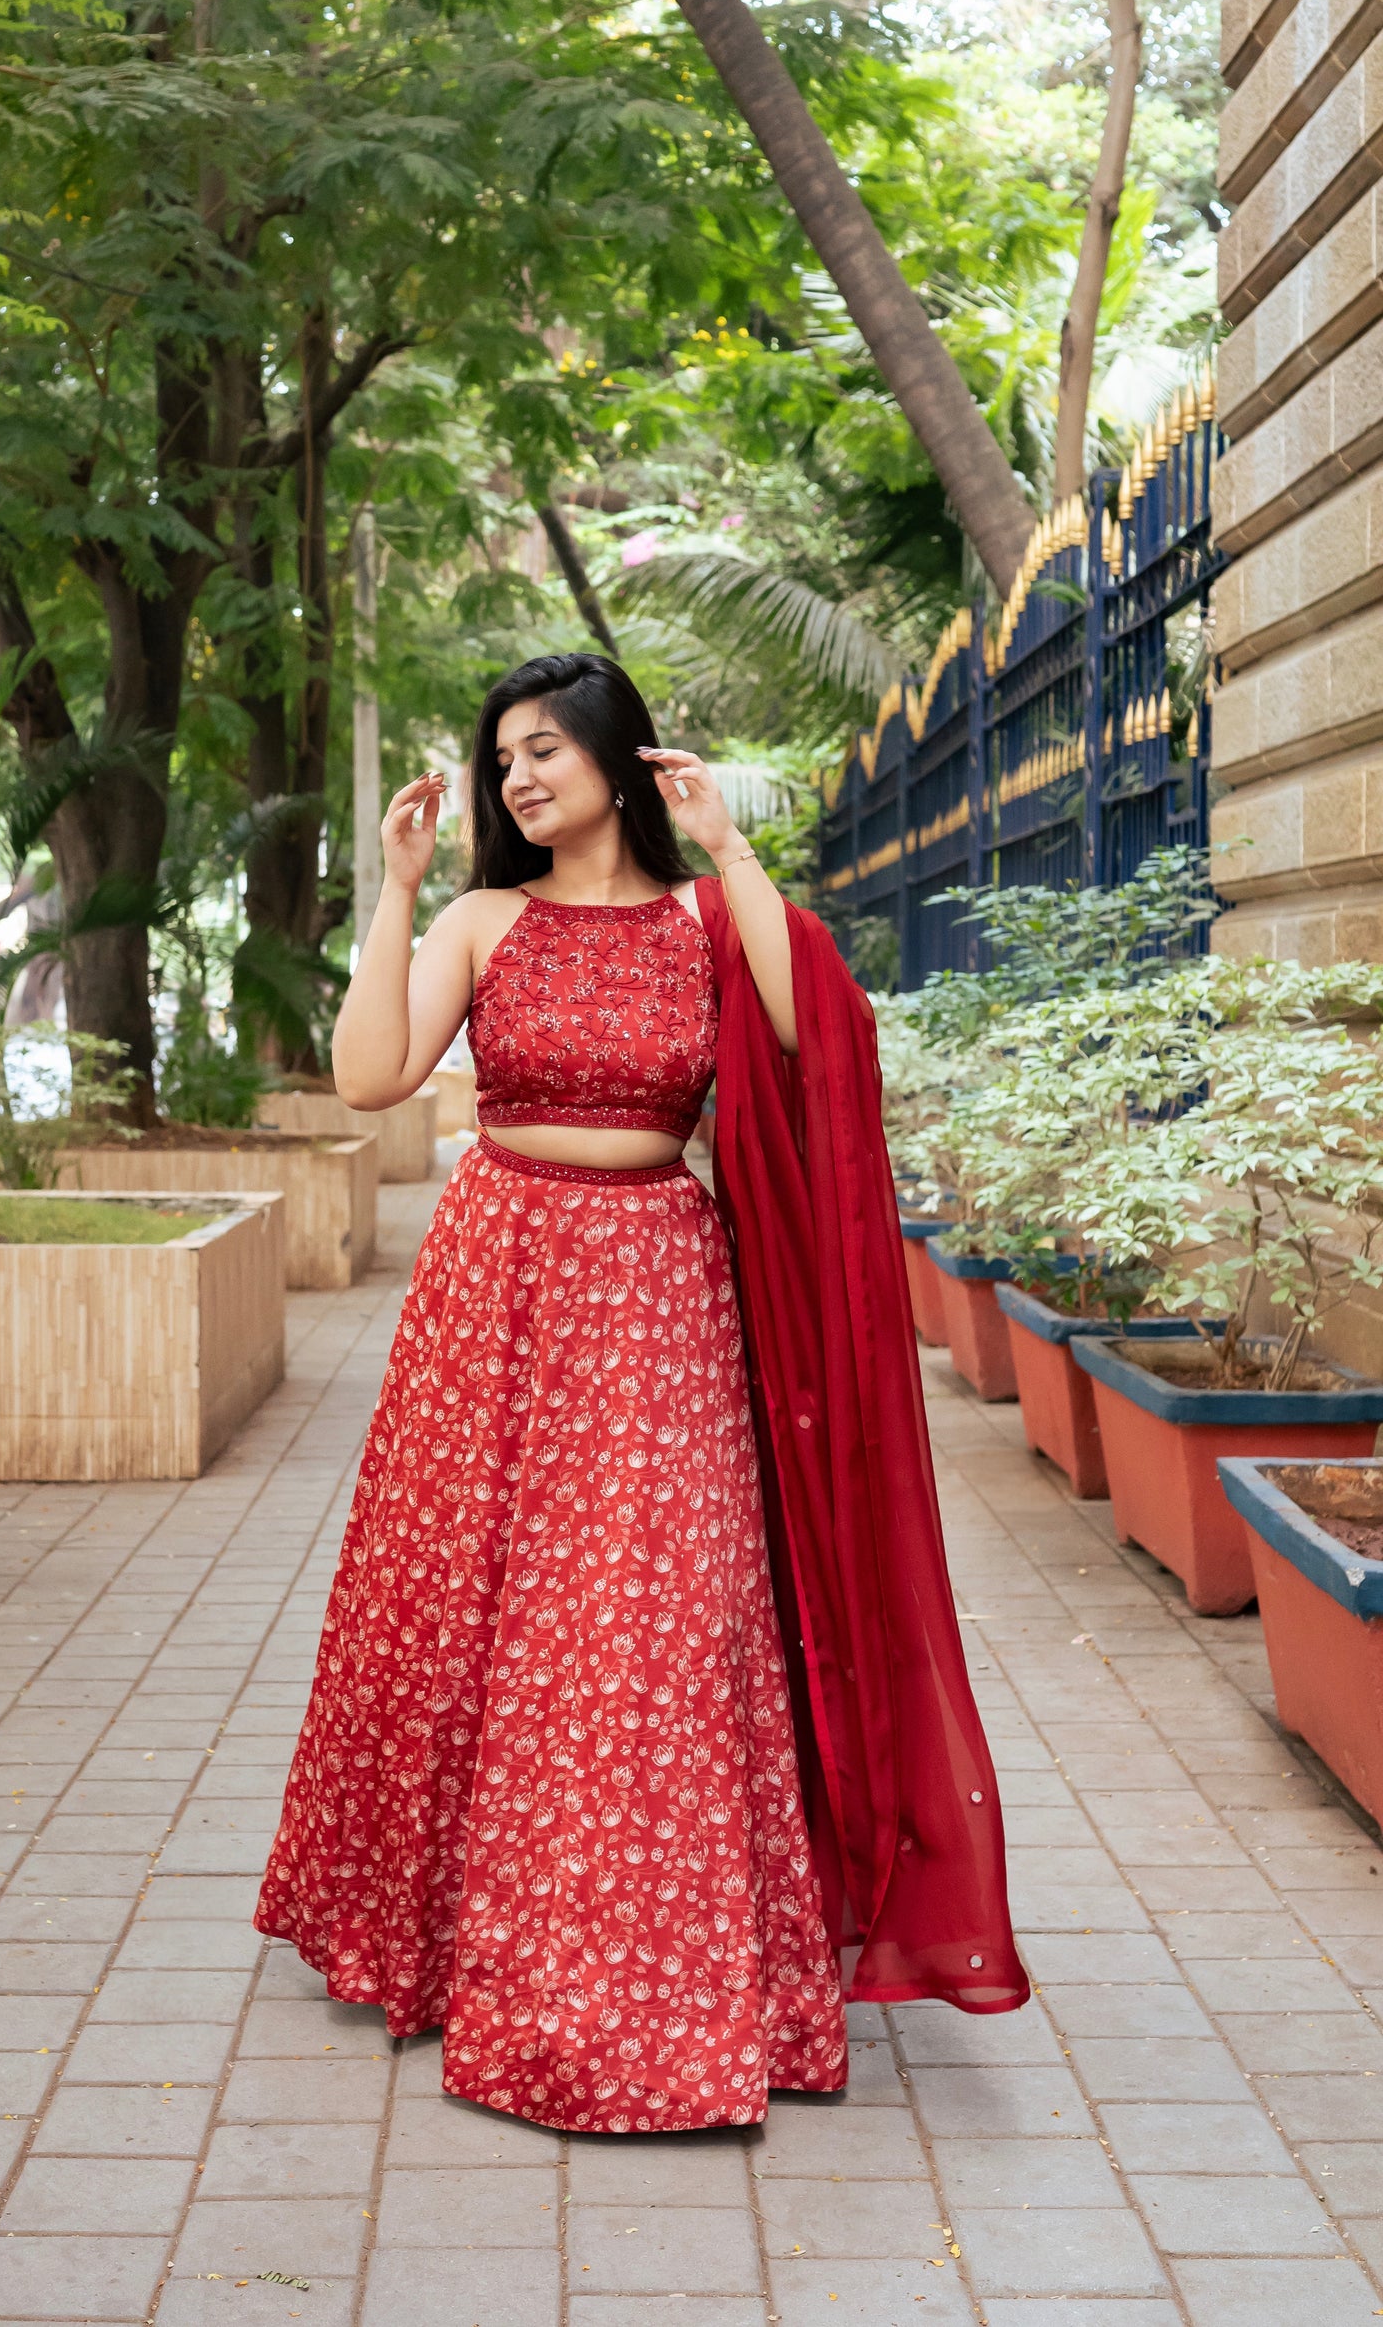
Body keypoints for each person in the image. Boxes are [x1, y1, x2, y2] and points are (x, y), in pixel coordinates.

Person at [254, 651, 1027, 2135]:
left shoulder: (697, 917)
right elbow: (370, 1075)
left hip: (660, 1291)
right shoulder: (484, 917)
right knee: (469, 1601)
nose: (519, 778)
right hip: (494, 1282)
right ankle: (449, 1938)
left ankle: (639, 1966)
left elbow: (817, 1042)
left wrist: (733, 848)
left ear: (618, 757)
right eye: (503, 760)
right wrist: (399, 887)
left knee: (645, 1620)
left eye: (545, 749)